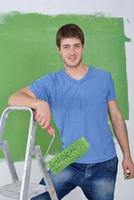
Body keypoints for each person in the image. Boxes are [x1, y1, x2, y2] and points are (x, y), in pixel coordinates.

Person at [8, 23, 134, 200]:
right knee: (38, 198)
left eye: (76, 46)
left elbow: (116, 117)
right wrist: (39, 102)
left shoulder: (103, 77)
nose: (72, 52)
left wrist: (127, 155)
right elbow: (14, 98)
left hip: (104, 163)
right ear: (59, 49)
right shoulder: (51, 82)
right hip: (69, 157)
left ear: (83, 47)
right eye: (66, 47)